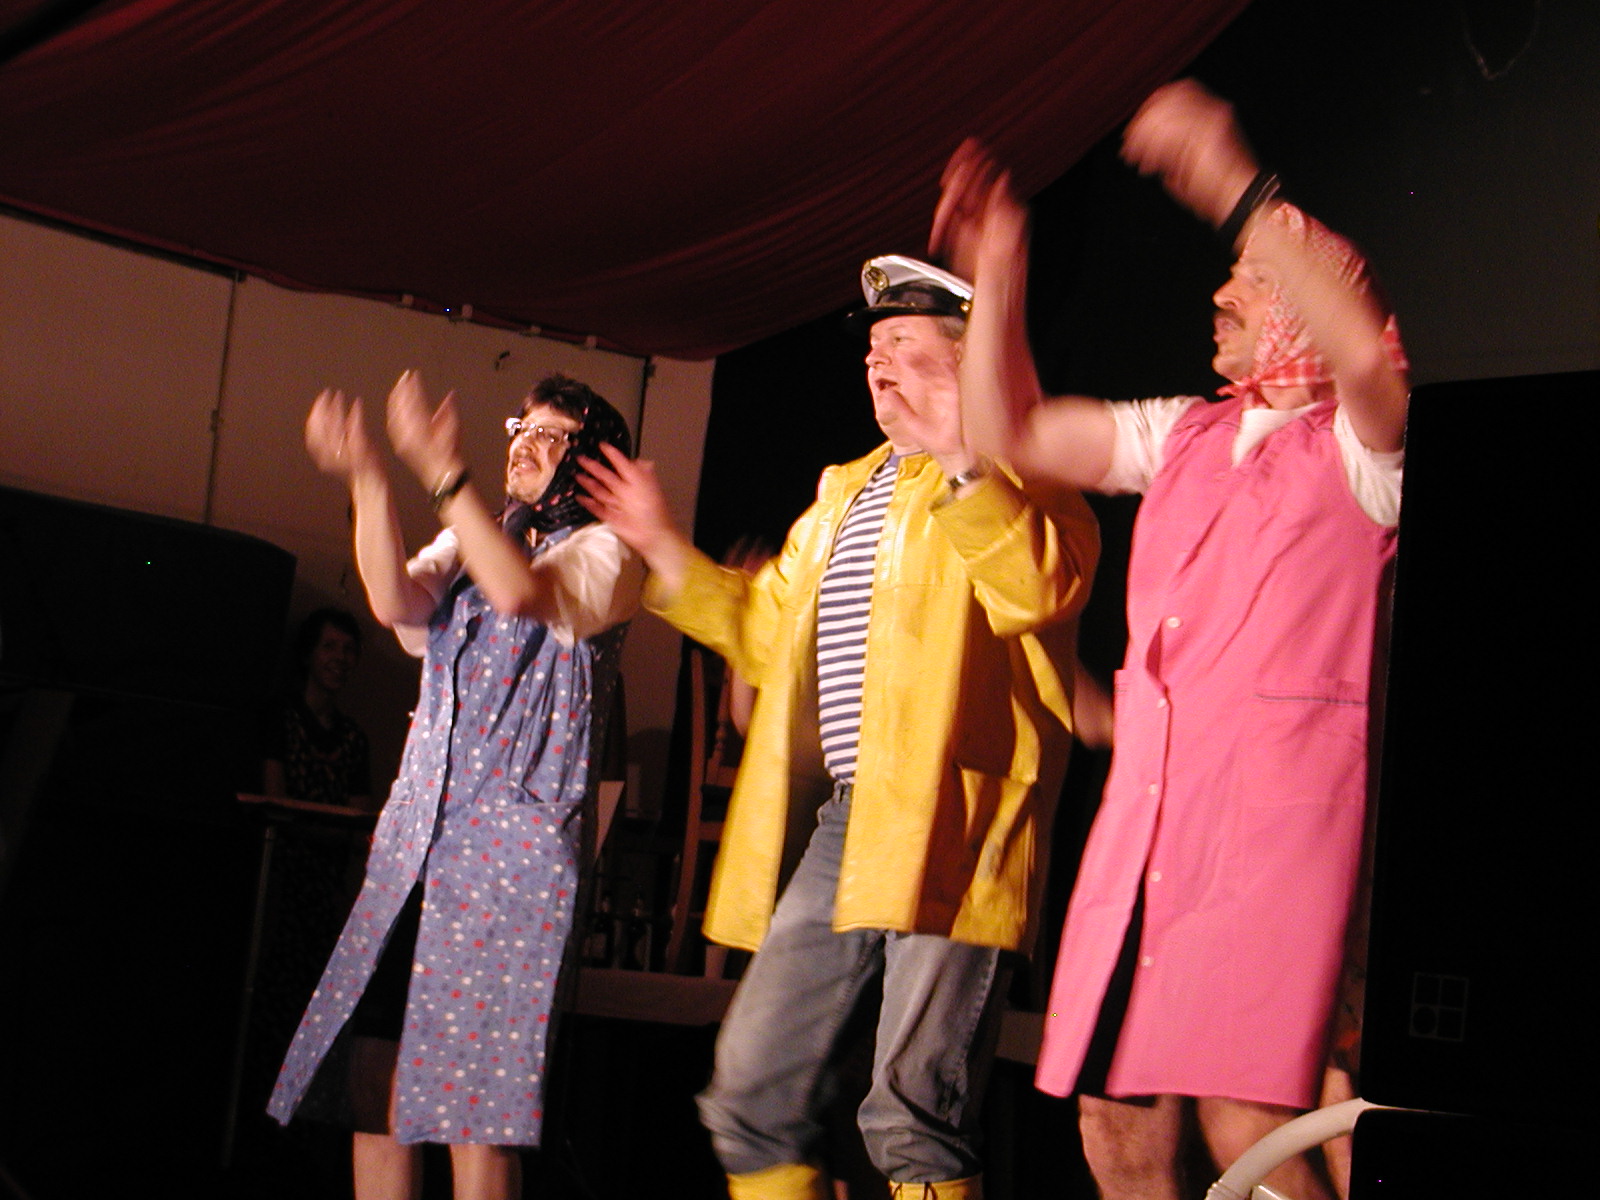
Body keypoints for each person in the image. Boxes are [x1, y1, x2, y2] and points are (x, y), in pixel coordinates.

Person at [932, 79, 1408, 1200]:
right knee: (1116, 1116)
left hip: (1267, 843)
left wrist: (1233, 183)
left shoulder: (1363, 454)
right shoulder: (1185, 433)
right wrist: (999, 270)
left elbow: (1370, 361)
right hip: (1152, 830)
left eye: (1253, 278)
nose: (1221, 293)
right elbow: (1011, 432)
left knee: (1250, 1119)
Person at [578, 256, 1099, 1200]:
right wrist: (661, 544)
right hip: (850, 825)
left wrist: (961, 456)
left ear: (965, 359)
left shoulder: (1025, 466)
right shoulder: (843, 492)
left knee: (913, 1118)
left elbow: (1041, 587)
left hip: (958, 820)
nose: (877, 362)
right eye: (871, 348)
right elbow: (767, 633)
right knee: (749, 1099)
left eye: (903, 344)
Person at [268, 370, 643, 1200]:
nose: (524, 445)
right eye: (521, 428)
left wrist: (443, 473)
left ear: (591, 461)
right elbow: (394, 598)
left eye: (550, 436)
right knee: (376, 1087)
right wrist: (370, 476)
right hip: (417, 846)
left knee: (475, 1114)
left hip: (507, 865)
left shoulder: (610, 551)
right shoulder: (482, 531)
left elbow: (519, 590)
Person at [263, 606, 373, 810]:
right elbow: (274, 801)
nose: (340, 657)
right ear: (308, 654)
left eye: (348, 649)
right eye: (329, 646)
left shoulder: (354, 738)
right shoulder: (280, 717)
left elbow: (359, 813)